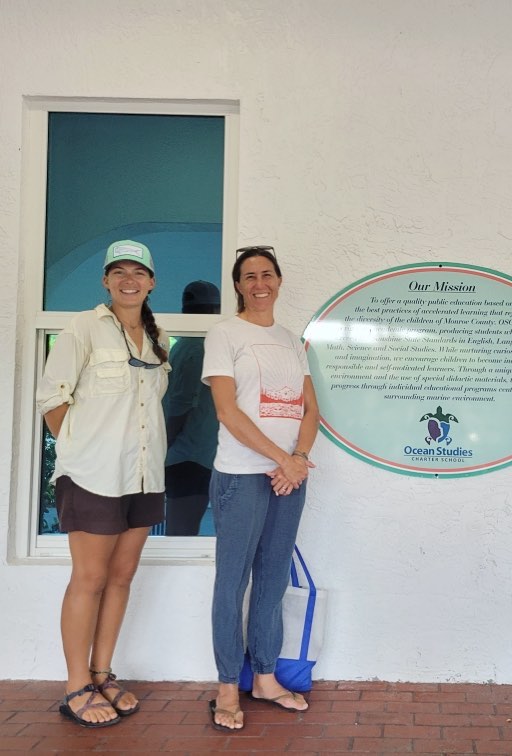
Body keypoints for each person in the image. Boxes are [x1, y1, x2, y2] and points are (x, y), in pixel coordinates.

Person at [36, 240, 169, 727]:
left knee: (121, 577)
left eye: (139, 271)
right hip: (94, 475)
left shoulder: (159, 340)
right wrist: (81, 454)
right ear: (106, 281)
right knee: (88, 579)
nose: (129, 279)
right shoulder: (82, 328)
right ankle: (76, 687)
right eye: (119, 272)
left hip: (143, 475)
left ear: (152, 282)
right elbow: (52, 400)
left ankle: (103, 673)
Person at [202, 245, 319, 732]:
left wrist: (299, 461)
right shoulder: (224, 333)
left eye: (266, 274)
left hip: (288, 478)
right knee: (233, 584)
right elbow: (228, 411)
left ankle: (266, 678)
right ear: (238, 285)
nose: (258, 283)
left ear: (279, 280)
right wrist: (283, 460)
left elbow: (309, 410)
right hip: (242, 475)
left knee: (272, 582)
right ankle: (228, 686)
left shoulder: (292, 339)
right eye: (248, 276)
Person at [163, 281, 221, 536]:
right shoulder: (198, 349)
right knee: (182, 532)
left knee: (182, 530)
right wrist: (162, 445)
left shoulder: (183, 346)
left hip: (188, 456)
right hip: (189, 457)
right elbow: (180, 407)